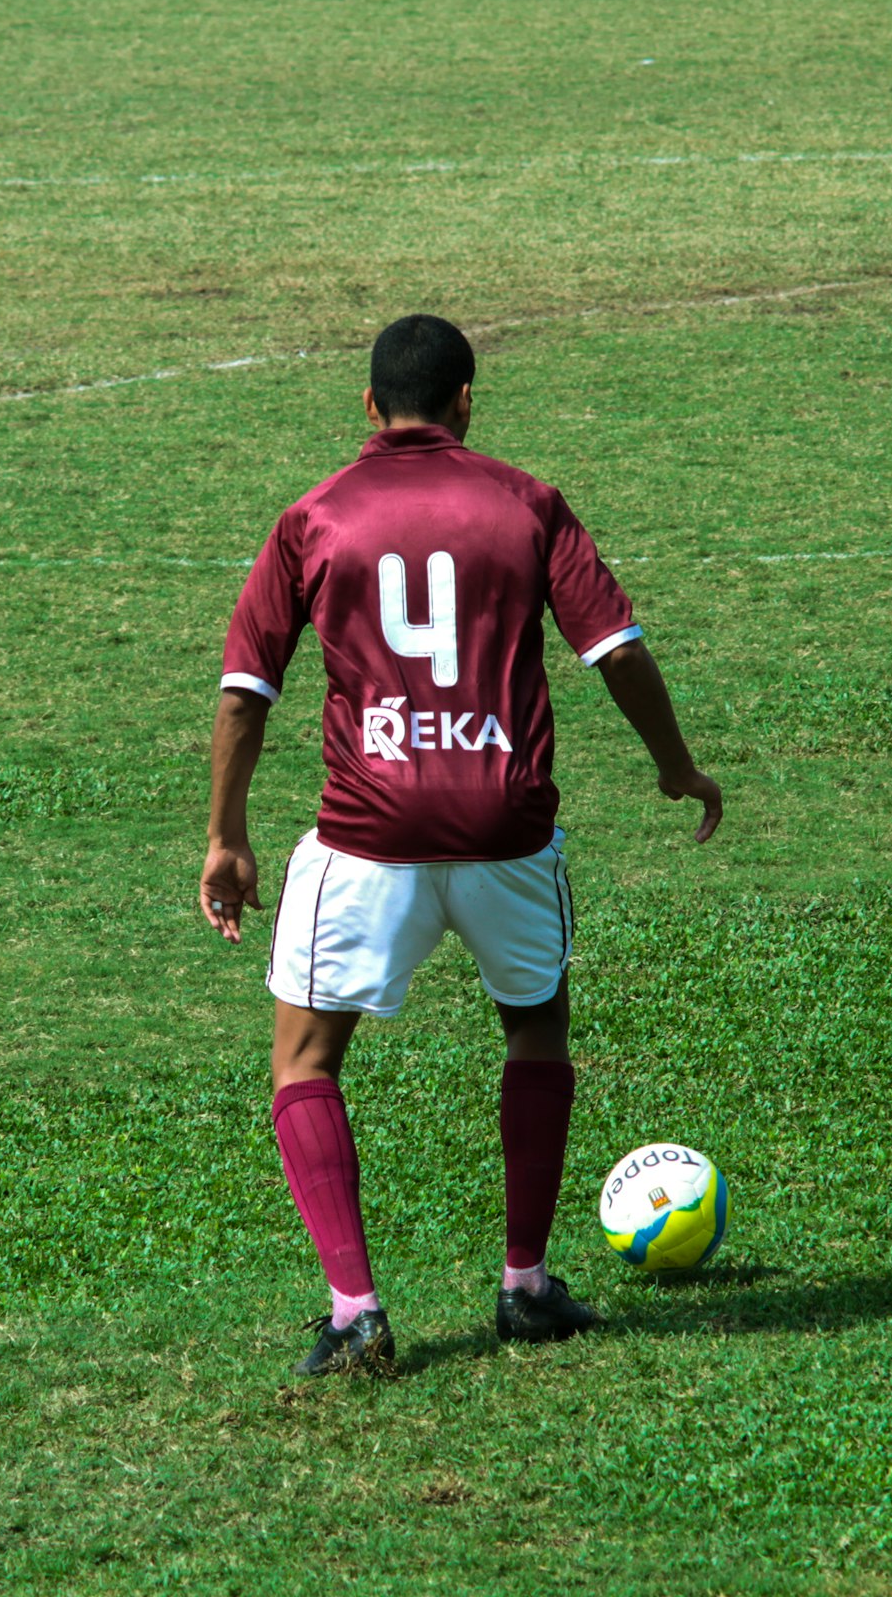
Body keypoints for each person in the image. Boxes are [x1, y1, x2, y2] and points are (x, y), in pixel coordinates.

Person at [199, 314, 722, 1377]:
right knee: (534, 1028)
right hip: (507, 830)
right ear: (469, 399)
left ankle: (356, 1312)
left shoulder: (314, 517)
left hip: (367, 834)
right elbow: (615, 651)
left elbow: (247, 691)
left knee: (305, 1057)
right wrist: (674, 762)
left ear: (369, 408)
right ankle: (524, 1284)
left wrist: (227, 834)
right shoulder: (526, 502)